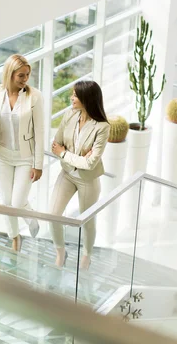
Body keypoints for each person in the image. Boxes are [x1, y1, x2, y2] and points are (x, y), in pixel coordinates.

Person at [0, 54, 45, 252]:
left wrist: (38, 164)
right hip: (1, 156)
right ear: (10, 74)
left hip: (25, 158)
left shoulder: (34, 96)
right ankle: (15, 237)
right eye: (21, 75)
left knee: (17, 202)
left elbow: (40, 132)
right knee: (6, 202)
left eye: (27, 75)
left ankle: (31, 218)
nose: (25, 79)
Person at [50, 80, 110, 270]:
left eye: (75, 95)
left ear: (86, 98)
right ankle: (60, 251)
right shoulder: (69, 115)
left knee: (87, 221)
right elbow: (55, 144)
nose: (71, 98)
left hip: (88, 180)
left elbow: (90, 163)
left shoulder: (102, 127)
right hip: (67, 174)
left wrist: (65, 153)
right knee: (53, 216)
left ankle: (87, 255)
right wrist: (77, 157)